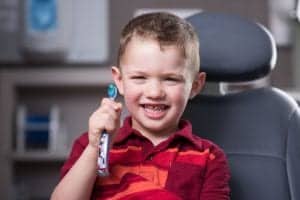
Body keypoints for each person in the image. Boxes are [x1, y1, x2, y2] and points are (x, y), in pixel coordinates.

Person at [51, 12, 230, 200]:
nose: (154, 92)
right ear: (119, 80)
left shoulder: (210, 158)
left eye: (170, 79)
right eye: (139, 78)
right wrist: (95, 149)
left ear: (195, 85)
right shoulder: (89, 145)